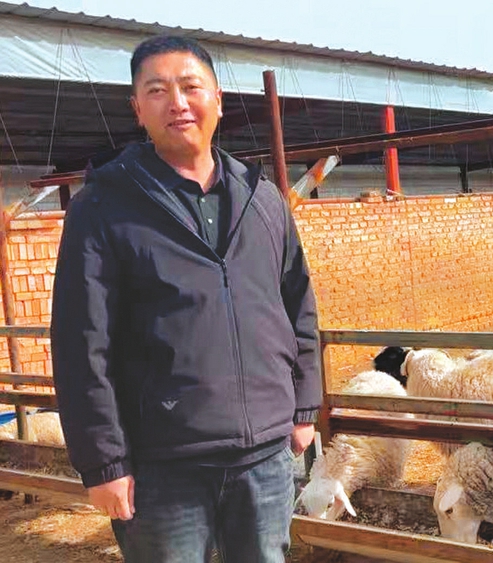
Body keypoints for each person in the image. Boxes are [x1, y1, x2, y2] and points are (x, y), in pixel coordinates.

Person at [50, 35, 321, 563]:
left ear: (218, 99)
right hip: (161, 464)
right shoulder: (103, 206)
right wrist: (103, 464)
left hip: (264, 456)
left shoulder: (262, 198)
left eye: (190, 86)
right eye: (157, 90)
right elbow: (81, 343)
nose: (177, 102)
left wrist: (304, 407)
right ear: (137, 108)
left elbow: (298, 306)